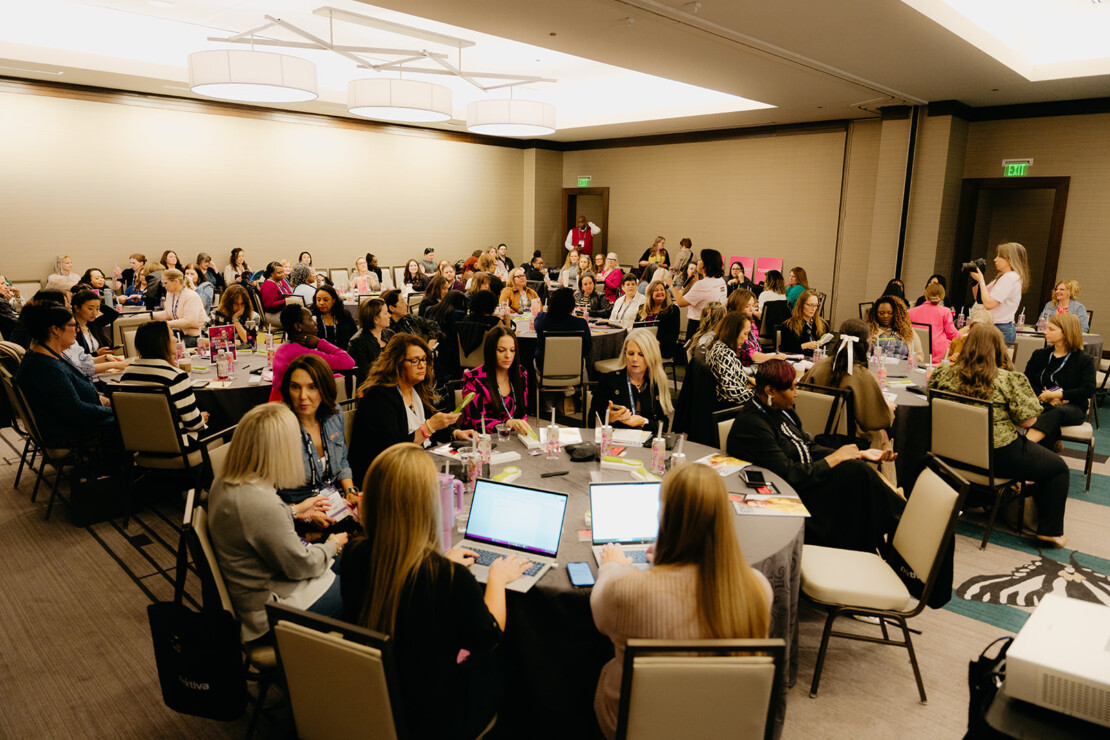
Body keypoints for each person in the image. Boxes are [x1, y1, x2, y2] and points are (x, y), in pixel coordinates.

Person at [342, 444, 529, 740]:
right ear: (427, 505)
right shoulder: (447, 578)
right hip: (439, 719)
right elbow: (490, 637)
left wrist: (442, 563)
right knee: (514, 667)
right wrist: (498, 577)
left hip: (378, 700)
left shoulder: (354, 555)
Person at [591, 463, 771, 740]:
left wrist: (613, 566)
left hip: (637, 726)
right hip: (723, 725)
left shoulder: (625, 589)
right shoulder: (758, 587)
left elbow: (600, 615)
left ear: (664, 518)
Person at [728, 359, 904, 553]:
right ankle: (900, 521)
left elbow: (808, 446)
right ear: (770, 391)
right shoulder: (753, 424)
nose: (797, 393)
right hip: (789, 494)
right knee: (857, 476)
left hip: (806, 479)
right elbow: (788, 474)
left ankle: (895, 523)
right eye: (791, 388)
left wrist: (857, 453)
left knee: (856, 473)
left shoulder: (782, 411)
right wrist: (835, 459)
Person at [208, 403, 347, 642]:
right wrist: (334, 544)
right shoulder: (259, 502)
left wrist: (294, 511)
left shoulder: (226, 481)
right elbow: (299, 566)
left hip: (262, 587)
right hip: (270, 612)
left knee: (354, 561)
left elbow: (254, 526)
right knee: (366, 585)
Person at [927, 323, 1070, 547]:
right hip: (996, 457)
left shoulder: (943, 373)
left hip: (949, 456)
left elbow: (931, 401)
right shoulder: (1008, 379)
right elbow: (1029, 421)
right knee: (1058, 468)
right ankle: (1049, 531)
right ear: (999, 349)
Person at [349, 334, 475, 483]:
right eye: (414, 361)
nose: (422, 365)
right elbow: (393, 449)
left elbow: (430, 422)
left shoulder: (415, 389)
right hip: (384, 477)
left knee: (470, 470)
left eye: (423, 360)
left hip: (416, 464)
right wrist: (428, 428)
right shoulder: (378, 397)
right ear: (397, 363)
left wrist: (455, 433)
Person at [14, 302, 116, 451]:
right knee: (138, 419)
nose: (77, 330)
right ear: (55, 329)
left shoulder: (41, 355)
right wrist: (117, 410)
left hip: (69, 426)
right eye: (73, 326)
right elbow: (76, 411)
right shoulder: (46, 367)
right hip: (71, 435)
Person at [276, 354, 358, 517]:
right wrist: (303, 516)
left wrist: (349, 492)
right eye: (295, 387)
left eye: (312, 387)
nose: (302, 396)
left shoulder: (334, 415)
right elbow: (267, 491)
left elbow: (341, 459)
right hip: (294, 514)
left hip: (332, 505)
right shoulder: (278, 427)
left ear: (324, 388)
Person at [801, 319, 895, 454]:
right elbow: (876, 420)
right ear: (865, 344)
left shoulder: (819, 366)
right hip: (848, 440)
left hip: (812, 434)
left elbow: (802, 395)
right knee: (883, 435)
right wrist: (889, 409)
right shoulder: (862, 376)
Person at [119, 321, 208, 445]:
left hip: (141, 444)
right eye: (172, 335)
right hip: (177, 445)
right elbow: (194, 425)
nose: (176, 339)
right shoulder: (175, 376)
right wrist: (201, 419)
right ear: (162, 341)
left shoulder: (127, 374)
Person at [1024, 313, 1096, 451]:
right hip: (1041, 402)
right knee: (1047, 411)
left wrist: (1060, 395)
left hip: (1072, 407)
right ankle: (1043, 459)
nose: (1045, 332)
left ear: (1066, 332)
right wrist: (1045, 396)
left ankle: (1025, 447)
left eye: (1051, 329)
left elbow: (1088, 389)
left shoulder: (1084, 360)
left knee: (1054, 412)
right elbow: (1025, 381)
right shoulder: (1039, 355)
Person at [588, 328, 673, 431]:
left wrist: (643, 422)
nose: (635, 359)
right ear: (625, 354)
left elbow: (663, 427)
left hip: (647, 444)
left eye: (641, 354)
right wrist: (608, 418)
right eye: (631, 353)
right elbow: (591, 422)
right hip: (617, 443)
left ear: (651, 356)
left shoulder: (656, 383)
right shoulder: (609, 380)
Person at [268, 304, 356, 403]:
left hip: (277, 403)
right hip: (290, 409)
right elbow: (348, 361)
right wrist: (320, 343)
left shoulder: (283, 348)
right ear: (298, 326)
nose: (315, 322)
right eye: (310, 319)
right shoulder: (303, 354)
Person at [458, 325, 532, 434]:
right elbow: (478, 422)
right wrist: (507, 424)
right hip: (480, 440)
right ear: (490, 351)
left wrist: (521, 426)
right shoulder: (473, 379)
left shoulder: (520, 373)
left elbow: (522, 415)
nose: (508, 355)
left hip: (512, 438)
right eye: (501, 350)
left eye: (512, 350)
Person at [971, 241, 1030, 342]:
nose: (995, 260)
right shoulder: (1003, 277)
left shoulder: (1010, 278)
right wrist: (975, 280)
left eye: (999, 257)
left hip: (1000, 328)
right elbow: (979, 298)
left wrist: (981, 280)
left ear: (1010, 259)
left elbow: (989, 304)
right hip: (994, 326)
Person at [664, 248, 727, 338]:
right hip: (715, 324)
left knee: (692, 351)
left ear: (706, 264)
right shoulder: (720, 280)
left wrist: (672, 285)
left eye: (700, 259)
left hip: (698, 325)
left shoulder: (702, 284)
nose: (698, 261)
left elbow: (681, 303)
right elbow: (706, 295)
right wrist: (697, 282)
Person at [68, 290, 127, 376]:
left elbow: (113, 314)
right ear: (77, 308)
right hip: (86, 372)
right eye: (90, 308)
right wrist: (97, 354)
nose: (94, 312)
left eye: (97, 309)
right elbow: (78, 360)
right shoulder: (71, 330)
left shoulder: (93, 324)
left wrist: (96, 302)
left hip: (100, 369)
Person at [534, 287, 592, 371]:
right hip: (573, 368)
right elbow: (587, 348)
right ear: (572, 306)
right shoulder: (581, 324)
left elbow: (536, 327)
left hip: (545, 369)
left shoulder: (541, 319)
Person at [705, 312, 757, 407]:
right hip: (731, 408)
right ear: (734, 331)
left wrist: (748, 380)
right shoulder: (724, 354)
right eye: (745, 334)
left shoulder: (717, 345)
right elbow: (733, 393)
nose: (746, 339)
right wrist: (761, 394)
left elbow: (731, 377)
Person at [152, 268, 206, 347]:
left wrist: (163, 324)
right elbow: (168, 314)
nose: (163, 285)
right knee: (155, 341)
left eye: (165, 283)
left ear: (176, 282)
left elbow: (189, 321)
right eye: (162, 283)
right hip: (178, 332)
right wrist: (149, 316)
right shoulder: (170, 294)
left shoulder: (191, 296)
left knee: (166, 346)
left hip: (194, 336)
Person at [907, 281, 959, 363]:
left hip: (915, 351)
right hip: (938, 354)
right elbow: (952, 333)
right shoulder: (945, 311)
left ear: (925, 295)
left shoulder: (910, 312)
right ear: (942, 296)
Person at [730, 288, 784, 366]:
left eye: (753, 305)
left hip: (757, 362)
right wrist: (773, 357)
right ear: (737, 306)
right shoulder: (735, 325)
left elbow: (757, 348)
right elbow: (750, 354)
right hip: (745, 366)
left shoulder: (751, 322)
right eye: (747, 306)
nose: (752, 309)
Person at [347, 297, 394, 386]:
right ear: (375, 319)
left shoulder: (390, 335)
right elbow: (366, 374)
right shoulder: (357, 342)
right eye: (385, 313)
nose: (389, 315)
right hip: (371, 388)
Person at [867, 295, 923, 361]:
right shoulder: (870, 330)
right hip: (876, 367)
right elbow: (860, 356)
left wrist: (910, 361)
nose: (885, 316)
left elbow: (920, 356)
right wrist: (868, 346)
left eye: (890, 313)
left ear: (897, 314)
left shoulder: (907, 331)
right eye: (881, 313)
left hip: (902, 369)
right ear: (875, 314)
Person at [637, 279, 680, 360]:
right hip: (643, 345)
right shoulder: (642, 308)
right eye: (656, 290)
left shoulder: (673, 309)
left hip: (662, 348)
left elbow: (673, 334)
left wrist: (659, 343)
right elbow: (637, 329)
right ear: (650, 293)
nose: (660, 292)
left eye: (662, 290)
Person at [778, 290, 828, 358]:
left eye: (816, 305)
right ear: (801, 305)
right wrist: (804, 346)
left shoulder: (822, 324)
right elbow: (785, 350)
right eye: (809, 305)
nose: (813, 309)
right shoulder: (789, 325)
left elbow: (827, 348)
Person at [313, 285, 357, 352]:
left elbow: (355, 336)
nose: (321, 303)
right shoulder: (312, 317)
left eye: (325, 300)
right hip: (321, 358)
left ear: (333, 300)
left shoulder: (344, 315)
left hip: (344, 355)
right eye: (318, 300)